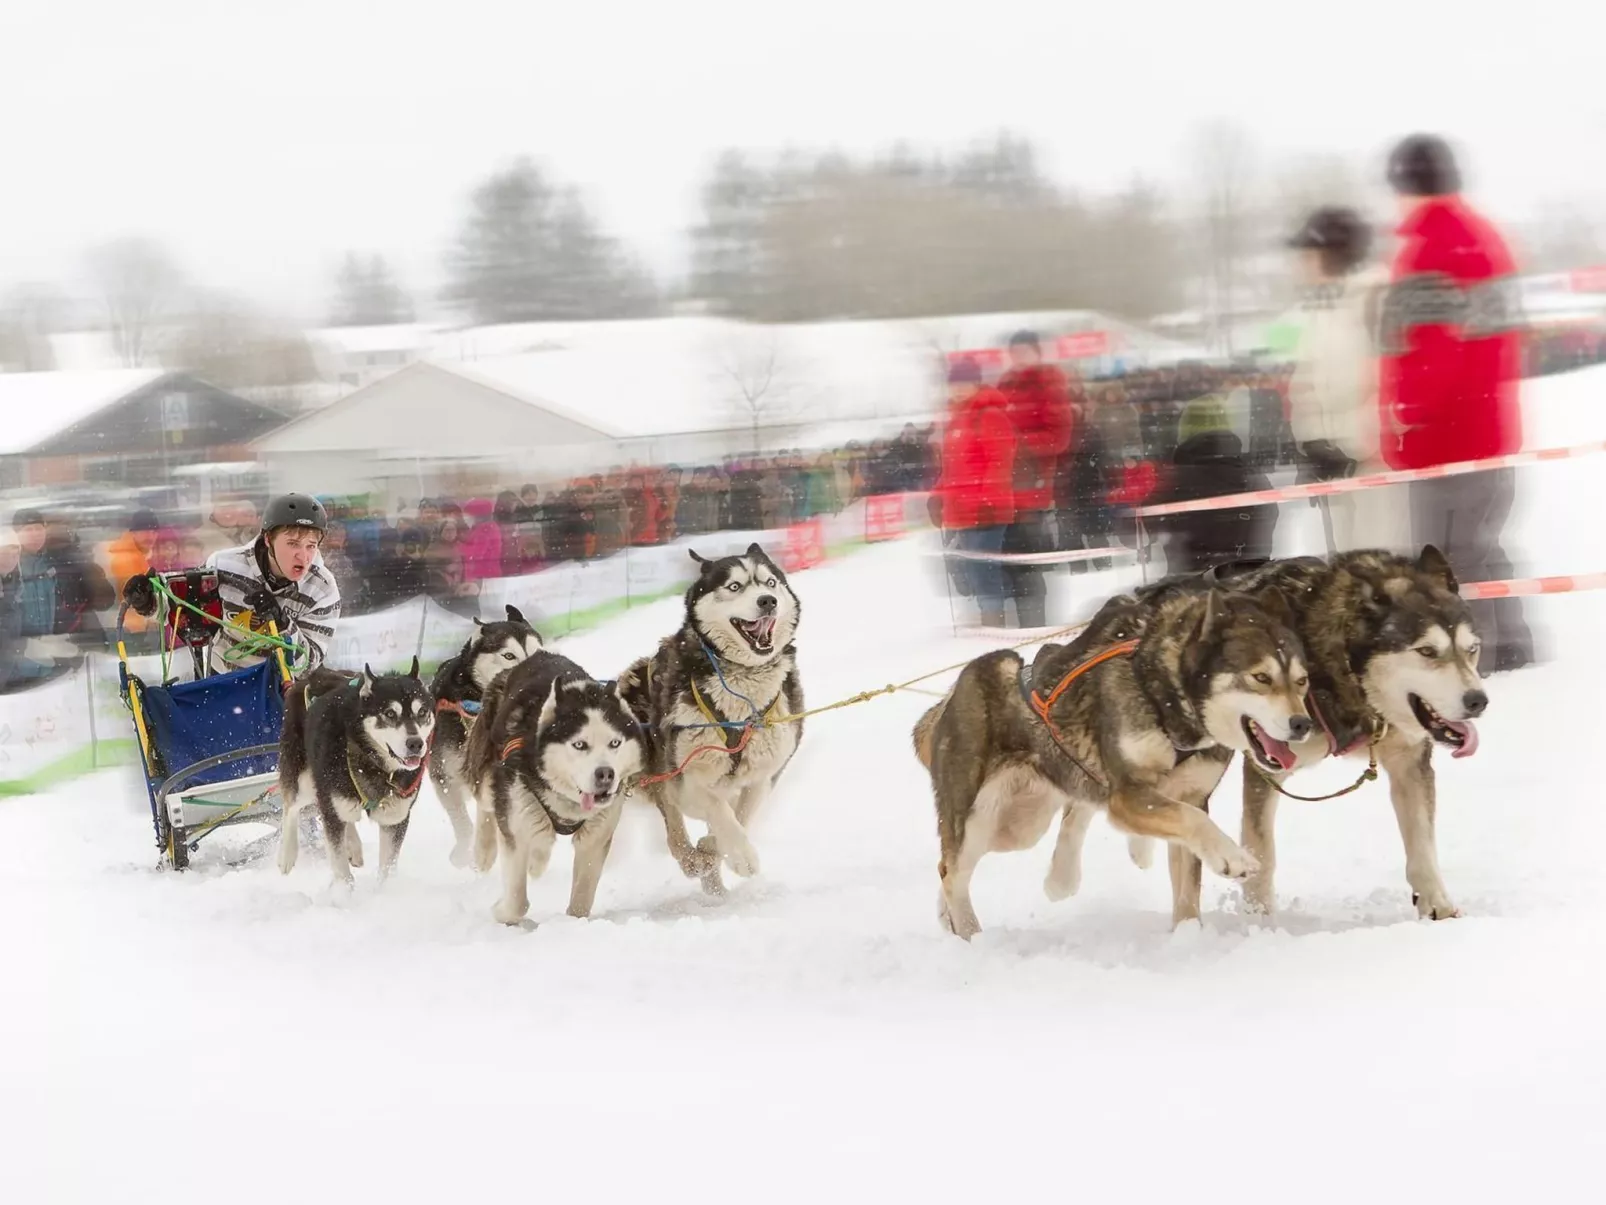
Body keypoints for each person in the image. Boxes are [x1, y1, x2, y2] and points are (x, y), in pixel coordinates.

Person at [1380, 134, 1534, 672]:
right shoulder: (1482, 236)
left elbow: (1430, 349)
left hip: (1449, 436)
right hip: (1489, 423)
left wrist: (1405, 414)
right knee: (1481, 547)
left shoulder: (1432, 245)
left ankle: (1479, 664)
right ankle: (1512, 648)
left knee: (1448, 560)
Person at [1285, 205, 1408, 553]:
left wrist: (1362, 443)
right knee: (1338, 576)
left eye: (1307, 255)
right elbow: (1307, 385)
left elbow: (1392, 379)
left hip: (1372, 463)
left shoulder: (1377, 300)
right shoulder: (1321, 309)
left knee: (1378, 567)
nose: (1301, 265)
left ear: (1331, 253)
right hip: (1334, 465)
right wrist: (1311, 442)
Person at [126, 492, 341, 676]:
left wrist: (282, 624)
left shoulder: (323, 589)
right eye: (292, 544)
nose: (303, 557)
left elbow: (308, 664)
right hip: (225, 677)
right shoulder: (225, 564)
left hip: (282, 687)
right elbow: (185, 607)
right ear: (268, 540)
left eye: (310, 546)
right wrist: (148, 600)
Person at [994, 331, 1075, 628]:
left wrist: (1016, 444)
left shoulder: (1048, 383)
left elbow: (1059, 438)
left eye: (1025, 352)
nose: (1019, 358)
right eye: (1014, 352)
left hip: (1032, 487)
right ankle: (1018, 628)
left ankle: (1035, 627)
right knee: (1009, 564)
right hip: (1003, 488)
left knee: (1027, 564)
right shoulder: (1004, 384)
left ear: (1038, 353)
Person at [932, 357, 1017, 628]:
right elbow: (952, 468)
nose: (958, 389)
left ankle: (994, 624)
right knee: (972, 570)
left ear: (976, 383)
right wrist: (937, 496)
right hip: (962, 511)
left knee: (984, 573)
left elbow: (1000, 461)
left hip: (986, 511)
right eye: (954, 383)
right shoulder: (956, 420)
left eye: (964, 382)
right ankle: (987, 617)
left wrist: (987, 500)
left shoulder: (989, 415)